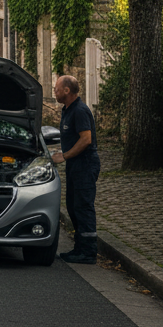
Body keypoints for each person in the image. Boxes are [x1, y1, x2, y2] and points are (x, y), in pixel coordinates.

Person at [50, 74, 100, 263]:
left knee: (83, 207)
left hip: (85, 164)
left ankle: (88, 252)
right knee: (73, 207)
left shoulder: (79, 110)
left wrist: (65, 156)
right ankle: (79, 247)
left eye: (56, 89)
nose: (54, 91)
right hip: (75, 165)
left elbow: (86, 139)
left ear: (67, 90)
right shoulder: (67, 110)